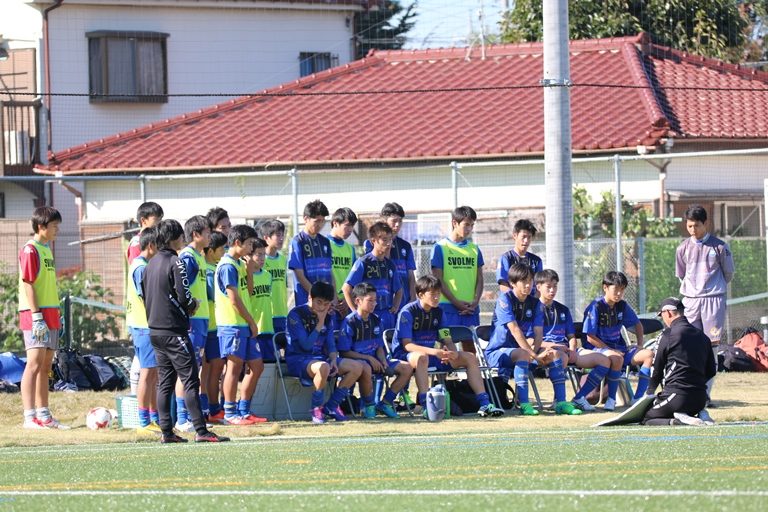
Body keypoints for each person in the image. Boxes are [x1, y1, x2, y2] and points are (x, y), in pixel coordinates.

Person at [143, 219, 228, 442]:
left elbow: (146, 295)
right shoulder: (176, 261)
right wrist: (192, 305)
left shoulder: (150, 264)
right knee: (190, 379)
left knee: (165, 382)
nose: (183, 238)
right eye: (181, 235)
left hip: (155, 331)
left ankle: (167, 432)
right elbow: (184, 295)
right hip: (174, 331)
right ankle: (201, 430)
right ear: (174, 238)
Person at [392, 275, 504, 418]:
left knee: (470, 358)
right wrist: (435, 352)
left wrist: (453, 352)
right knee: (421, 358)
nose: (436, 297)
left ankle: (485, 404)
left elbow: (446, 338)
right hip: (405, 356)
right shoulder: (408, 312)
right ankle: (426, 406)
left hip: (432, 355)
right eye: (432, 294)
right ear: (420, 295)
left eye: (438, 294)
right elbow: (407, 345)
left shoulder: (439, 312)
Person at [485, 264, 574, 416]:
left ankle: (560, 403)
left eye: (530, 281)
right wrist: (534, 355)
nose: (528, 285)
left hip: (525, 352)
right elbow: (515, 330)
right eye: (523, 281)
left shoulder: (535, 303)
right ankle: (525, 405)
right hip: (497, 352)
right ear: (513, 283)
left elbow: (538, 333)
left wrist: (536, 352)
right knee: (523, 354)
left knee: (555, 354)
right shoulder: (504, 300)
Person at [675, 204, 735, 401]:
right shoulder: (682, 248)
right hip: (691, 302)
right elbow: (681, 274)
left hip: (713, 301)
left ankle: (705, 395)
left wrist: (712, 288)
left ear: (705, 223)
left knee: (711, 347)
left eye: (697, 225)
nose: (693, 230)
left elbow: (728, 274)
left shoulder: (720, 247)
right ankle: (691, 391)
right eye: (689, 226)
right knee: (690, 346)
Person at [285, 281, 364, 424]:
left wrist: (333, 359)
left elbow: (330, 344)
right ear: (310, 297)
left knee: (357, 367)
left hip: (321, 359)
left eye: (326, 304)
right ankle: (316, 409)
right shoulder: (296, 314)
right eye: (319, 302)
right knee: (323, 367)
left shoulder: (328, 316)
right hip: (299, 359)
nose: (322, 307)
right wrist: (319, 324)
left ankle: (331, 406)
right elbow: (305, 346)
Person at [19, 206, 69, 429]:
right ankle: (29, 417)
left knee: (46, 365)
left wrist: (56, 313)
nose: (57, 230)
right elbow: (28, 284)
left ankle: (44, 414)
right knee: (34, 364)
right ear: (41, 227)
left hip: (51, 312)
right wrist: (36, 315)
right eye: (54, 226)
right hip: (35, 314)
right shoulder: (30, 250)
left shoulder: (47, 249)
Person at [534, 269, 611, 412]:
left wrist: (572, 350)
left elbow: (571, 337)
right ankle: (559, 402)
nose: (552, 290)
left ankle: (579, 398)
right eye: (548, 287)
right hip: (544, 350)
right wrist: (557, 347)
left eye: (555, 286)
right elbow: (532, 341)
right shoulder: (532, 309)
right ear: (538, 287)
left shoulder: (563, 309)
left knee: (604, 360)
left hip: (567, 350)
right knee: (560, 356)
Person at [582, 271, 654, 411]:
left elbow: (638, 325)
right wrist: (609, 349)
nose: (619, 293)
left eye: (622, 289)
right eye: (616, 289)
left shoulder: (622, 306)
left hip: (619, 350)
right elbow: (590, 337)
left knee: (648, 354)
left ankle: (637, 399)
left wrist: (640, 344)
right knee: (616, 358)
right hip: (597, 350)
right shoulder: (596, 306)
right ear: (605, 287)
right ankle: (611, 400)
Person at [338, 283, 412, 419]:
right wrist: (369, 359)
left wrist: (383, 360)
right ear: (358, 301)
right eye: (370, 300)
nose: (374, 304)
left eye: (375, 300)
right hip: (359, 363)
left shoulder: (376, 320)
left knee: (407, 368)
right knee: (366, 368)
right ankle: (369, 405)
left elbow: (379, 347)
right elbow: (344, 352)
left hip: (376, 361)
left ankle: (385, 403)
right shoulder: (349, 322)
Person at [215, 224, 264, 425]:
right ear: (237, 242)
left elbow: (248, 292)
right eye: (249, 244)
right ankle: (229, 412)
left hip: (243, 325)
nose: (251, 248)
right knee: (233, 369)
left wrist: (249, 271)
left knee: (257, 365)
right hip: (232, 325)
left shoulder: (239, 264)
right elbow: (234, 300)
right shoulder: (227, 266)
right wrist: (252, 322)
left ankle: (243, 410)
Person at [642, 298, 717, 426]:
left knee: (646, 417)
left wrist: (649, 391)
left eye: (662, 315)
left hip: (676, 397)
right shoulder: (703, 336)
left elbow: (656, 368)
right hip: (700, 399)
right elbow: (711, 370)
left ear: (668, 313)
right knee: (672, 406)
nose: (663, 320)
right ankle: (700, 413)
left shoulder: (667, 335)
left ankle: (677, 419)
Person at [175, 215, 212, 432]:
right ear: (196, 234)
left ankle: (190, 415)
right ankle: (182, 418)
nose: (210, 236)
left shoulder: (199, 256)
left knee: (195, 369)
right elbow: (181, 289)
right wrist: (190, 308)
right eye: (207, 232)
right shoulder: (188, 257)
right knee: (187, 370)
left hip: (202, 320)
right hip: (192, 321)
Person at [125, 226, 161, 433]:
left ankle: (154, 418)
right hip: (143, 327)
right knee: (146, 373)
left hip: (148, 326)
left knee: (153, 373)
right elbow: (146, 297)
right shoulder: (140, 267)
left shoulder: (145, 265)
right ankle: (143, 421)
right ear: (151, 245)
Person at [342, 221, 402, 331]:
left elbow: (399, 290)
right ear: (373, 241)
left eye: (390, 239)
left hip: (386, 315)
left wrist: (395, 307)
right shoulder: (363, 262)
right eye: (384, 240)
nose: (389, 243)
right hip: (368, 316)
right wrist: (355, 312)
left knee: (387, 341)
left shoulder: (390, 265)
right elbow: (346, 288)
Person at [430, 206, 484, 327]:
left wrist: (475, 302)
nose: (469, 229)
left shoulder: (475, 249)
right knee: (447, 340)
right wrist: (456, 303)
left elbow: (480, 279)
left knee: (471, 340)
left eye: (472, 225)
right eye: (466, 225)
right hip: (447, 308)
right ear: (454, 223)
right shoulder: (440, 247)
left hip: (470, 309)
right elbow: (438, 279)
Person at [364, 202, 417, 309]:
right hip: (382, 303)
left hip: (404, 302)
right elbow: (379, 266)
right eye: (394, 221)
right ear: (384, 220)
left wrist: (413, 298)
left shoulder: (405, 246)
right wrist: (388, 245)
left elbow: (410, 275)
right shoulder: (372, 243)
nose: (397, 225)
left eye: (400, 221)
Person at [288, 200, 333, 308]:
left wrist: (333, 296)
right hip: (307, 301)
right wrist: (317, 296)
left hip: (325, 302)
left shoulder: (325, 242)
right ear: (305, 219)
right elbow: (299, 275)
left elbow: (330, 272)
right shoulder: (297, 242)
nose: (320, 225)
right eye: (317, 221)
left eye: (323, 221)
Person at [203, 231, 227, 422]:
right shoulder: (210, 270)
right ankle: (211, 408)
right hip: (211, 325)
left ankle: (213, 407)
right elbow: (214, 294)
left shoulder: (215, 267)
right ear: (211, 251)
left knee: (216, 367)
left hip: (215, 325)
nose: (224, 252)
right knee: (213, 368)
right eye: (222, 249)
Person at [496, 219, 543, 295]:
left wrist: (533, 300)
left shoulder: (536, 261)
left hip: (531, 301)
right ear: (515, 236)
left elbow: (539, 286)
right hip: (511, 301)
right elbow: (503, 284)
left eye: (529, 237)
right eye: (523, 237)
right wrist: (516, 299)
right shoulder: (506, 258)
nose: (526, 240)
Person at [261, 219, 288, 334]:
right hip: (266, 313)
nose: (281, 238)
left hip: (282, 312)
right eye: (278, 235)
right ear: (266, 238)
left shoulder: (283, 259)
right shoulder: (260, 261)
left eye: (282, 235)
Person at [329, 207, 358, 316]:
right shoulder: (324, 245)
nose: (350, 229)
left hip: (347, 303)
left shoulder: (350, 249)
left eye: (352, 226)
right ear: (335, 223)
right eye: (347, 225)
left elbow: (355, 277)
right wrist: (333, 298)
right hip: (329, 303)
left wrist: (347, 299)